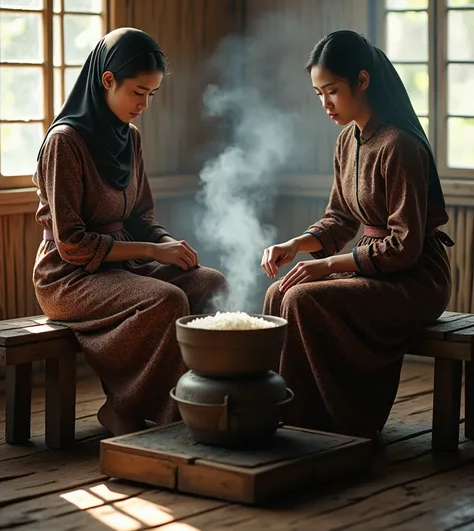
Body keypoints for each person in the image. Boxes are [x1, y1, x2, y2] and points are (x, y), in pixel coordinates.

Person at [33, 27, 229, 436]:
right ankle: (145, 411)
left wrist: (164, 243)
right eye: (138, 92)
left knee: (209, 283)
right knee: (166, 299)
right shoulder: (65, 142)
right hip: (68, 276)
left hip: (124, 265)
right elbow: (71, 243)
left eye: (151, 95)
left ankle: (209, 401)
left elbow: (142, 216)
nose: (143, 104)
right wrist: (154, 253)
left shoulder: (130, 138)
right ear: (107, 80)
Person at [261, 30, 453, 440]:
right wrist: (296, 245)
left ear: (362, 81)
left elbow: (404, 246)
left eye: (331, 91)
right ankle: (281, 411)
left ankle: (325, 422)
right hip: (375, 267)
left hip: (415, 277)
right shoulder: (348, 141)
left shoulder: (399, 146)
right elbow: (340, 219)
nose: (325, 104)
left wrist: (327, 265)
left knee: (301, 298)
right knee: (279, 292)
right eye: (318, 94)